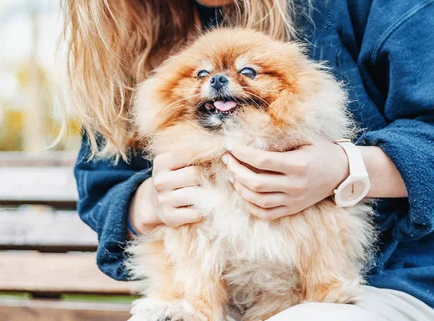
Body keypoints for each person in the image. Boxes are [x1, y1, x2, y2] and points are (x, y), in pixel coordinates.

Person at [64, 0, 434, 320]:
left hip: (387, 282)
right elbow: (102, 183)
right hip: (199, 299)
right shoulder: (126, 33)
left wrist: (347, 168)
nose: (220, 81)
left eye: (247, 72)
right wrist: (149, 202)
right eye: (204, 73)